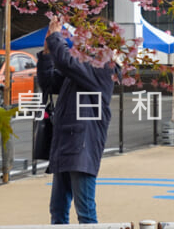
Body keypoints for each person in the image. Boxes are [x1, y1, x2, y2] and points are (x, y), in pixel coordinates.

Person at [35, 17, 118, 225]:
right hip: (66, 144)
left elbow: (65, 61)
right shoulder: (83, 66)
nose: (82, 40)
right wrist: (46, 52)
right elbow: (49, 83)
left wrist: (55, 36)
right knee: (58, 209)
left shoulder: (104, 67)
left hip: (82, 145)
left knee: (85, 209)